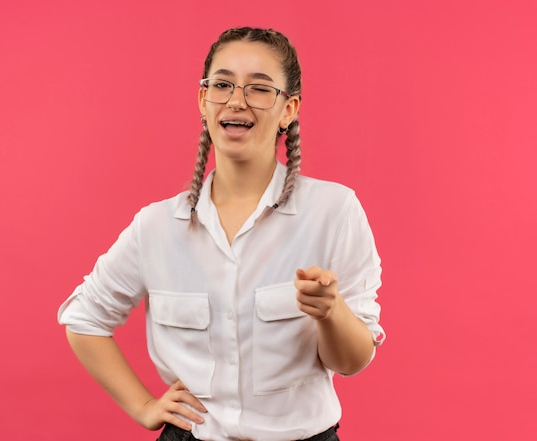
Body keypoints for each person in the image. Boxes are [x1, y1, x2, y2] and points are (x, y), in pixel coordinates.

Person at [58, 27, 385, 441]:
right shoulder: (156, 227)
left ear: (289, 110)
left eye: (259, 89)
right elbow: (83, 318)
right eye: (223, 84)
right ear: (203, 100)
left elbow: (353, 361)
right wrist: (143, 406)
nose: (236, 100)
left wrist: (330, 311)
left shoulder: (334, 212)